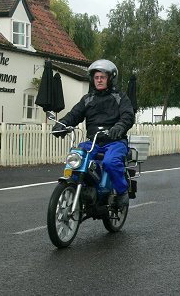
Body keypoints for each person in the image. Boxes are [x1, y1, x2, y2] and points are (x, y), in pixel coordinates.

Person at [52, 59, 135, 207]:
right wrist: (62, 124)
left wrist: (119, 127)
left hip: (115, 141)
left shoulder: (120, 97)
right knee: (76, 159)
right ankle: (83, 188)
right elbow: (74, 114)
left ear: (110, 78)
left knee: (110, 162)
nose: (99, 80)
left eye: (102, 77)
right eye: (96, 77)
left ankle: (122, 192)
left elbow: (128, 116)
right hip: (93, 142)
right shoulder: (88, 98)